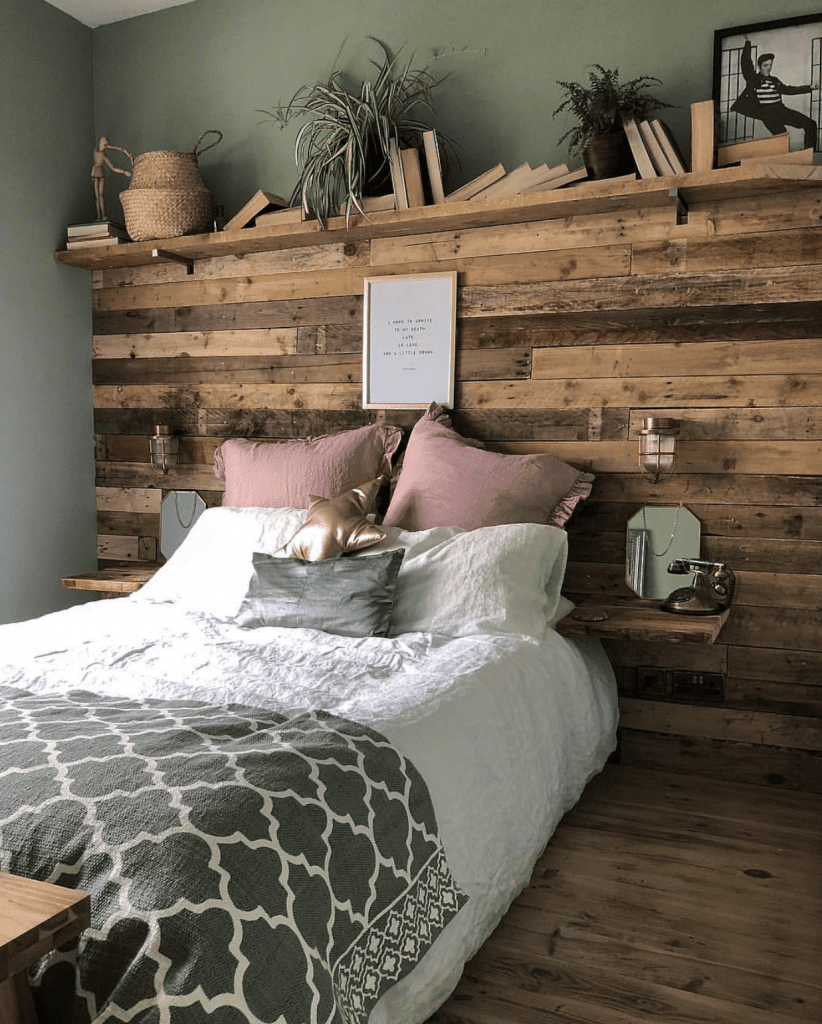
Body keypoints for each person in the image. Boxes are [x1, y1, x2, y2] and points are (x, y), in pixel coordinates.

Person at [731, 38, 817, 150]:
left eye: (770, 65)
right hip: (768, 115)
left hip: (781, 110)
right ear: (759, 66)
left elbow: (789, 90)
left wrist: (809, 88)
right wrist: (748, 43)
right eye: (765, 65)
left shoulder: (775, 80)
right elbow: (746, 63)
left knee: (810, 124)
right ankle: (787, 159)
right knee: (783, 136)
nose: (768, 68)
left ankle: (808, 152)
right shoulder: (753, 79)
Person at [92, 137, 131, 221]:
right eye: (102, 143)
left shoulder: (103, 156)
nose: (103, 145)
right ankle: (99, 216)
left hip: (100, 174)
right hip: (95, 173)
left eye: (105, 144)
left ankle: (103, 215)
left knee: (100, 195)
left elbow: (113, 167)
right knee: (97, 196)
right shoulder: (95, 152)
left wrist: (124, 172)